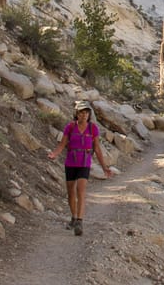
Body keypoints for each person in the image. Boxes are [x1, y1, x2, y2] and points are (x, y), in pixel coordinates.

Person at [47, 100, 112, 236]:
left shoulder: (93, 129)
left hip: (84, 162)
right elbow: (62, 144)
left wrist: (104, 168)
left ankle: (79, 222)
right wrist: (54, 154)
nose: (84, 115)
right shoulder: (70, 127)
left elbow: (98, 150)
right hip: (71, 162)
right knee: (71, 192)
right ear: (76, 114)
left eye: (86, 113)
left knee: (80, 190)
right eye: (81, 113)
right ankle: (74, 217)